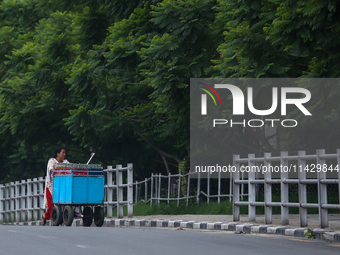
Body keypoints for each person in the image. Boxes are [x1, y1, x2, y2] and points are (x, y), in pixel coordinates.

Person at [41, 147, 70, 226]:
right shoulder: (52, 161)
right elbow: (51, 169)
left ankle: (45, 216)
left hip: (62, 187)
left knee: (60, 204)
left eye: (64, 153)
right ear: (58, 153)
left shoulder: (65, 162)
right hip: (51, 187)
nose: (64, 154)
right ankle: (53, 220)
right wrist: (58, 170)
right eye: (63, 152)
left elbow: (71, 168)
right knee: (52, 205)